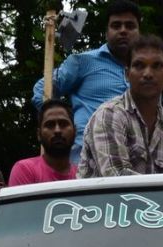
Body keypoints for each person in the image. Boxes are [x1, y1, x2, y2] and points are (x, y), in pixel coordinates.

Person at [32, 1, 141, 163]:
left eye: (130, 26)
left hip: (135, 162)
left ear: (139, 31)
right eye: (116, 25)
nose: (123, 30)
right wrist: (60, 120)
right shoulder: (83, 62)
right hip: (86, 162)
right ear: (106, 32)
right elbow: (43, 89)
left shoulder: (147, 71)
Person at [78, 35, 163, 178]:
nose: (148, 74)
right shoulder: (109, 116)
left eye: (156, 66)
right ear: (127, 74)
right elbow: (116, 179)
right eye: (139, 65)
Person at [8, 100, 77, 186]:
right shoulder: (25, 170)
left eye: (63, 124)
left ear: (75, 131)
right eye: (50, 125)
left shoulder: (83, 175)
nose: (57, 130)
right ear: (39, 134)